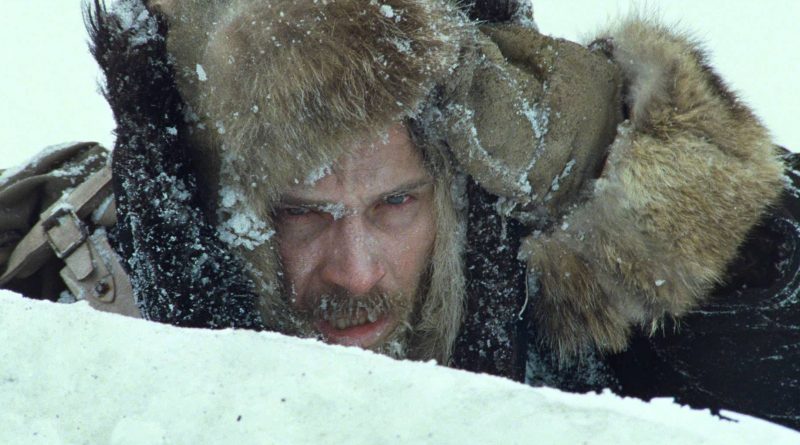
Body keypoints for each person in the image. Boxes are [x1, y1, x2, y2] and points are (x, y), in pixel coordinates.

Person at [1, 0, 797, 429]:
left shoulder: (544, 297)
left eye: (396, 202)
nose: (355, 271)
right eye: (303, 213)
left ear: (453, 192)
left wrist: (596, 145)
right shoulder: (77, 281)